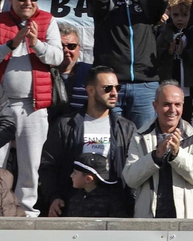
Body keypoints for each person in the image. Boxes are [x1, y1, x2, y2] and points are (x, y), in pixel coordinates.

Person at [0, 0, 63, 215]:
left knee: (31, 163)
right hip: (0, 106)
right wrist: (11, 44)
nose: (28, 2)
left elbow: (57, 58)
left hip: (34, 106)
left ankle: (27, 211)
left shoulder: (47, 20)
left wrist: (36, 43)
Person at [87, 0, 168, 128]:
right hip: (111, 85)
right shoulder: (109, 2)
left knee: (143, 142)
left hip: (145, 87)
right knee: (109, 140)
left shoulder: (148, 4)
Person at [37, 66, 138, 218]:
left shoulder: (126, 127)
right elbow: (47, 166)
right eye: (108, 88)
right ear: (90, 90)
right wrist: (54, 197)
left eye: (117, 88)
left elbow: (134, 169)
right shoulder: (65, 125)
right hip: (73, 206)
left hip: (114, 208)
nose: (114, 93)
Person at [120, 81, 193, 219]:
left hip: (186, 220)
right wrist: (155, 157)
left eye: (177, 104)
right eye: (166, 104)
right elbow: (130, 179)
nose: (172, 110)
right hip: (149, 220)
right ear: (155, 106)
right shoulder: (139, 137)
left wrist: (177, 154)